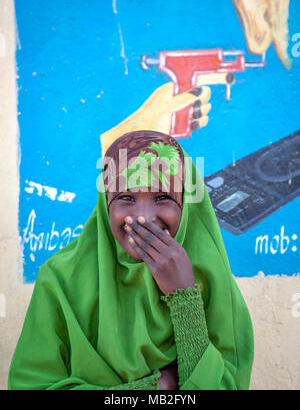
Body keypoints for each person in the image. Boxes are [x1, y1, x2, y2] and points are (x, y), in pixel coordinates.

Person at [8, 130, 254, 390]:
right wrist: (152, 389)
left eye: (163, 198)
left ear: (186, 203)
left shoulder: (209, 279)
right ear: (106, 203)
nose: (143, 217)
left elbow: (229, 384)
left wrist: (184, 297)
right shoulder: (60, 280)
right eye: (126, 198)